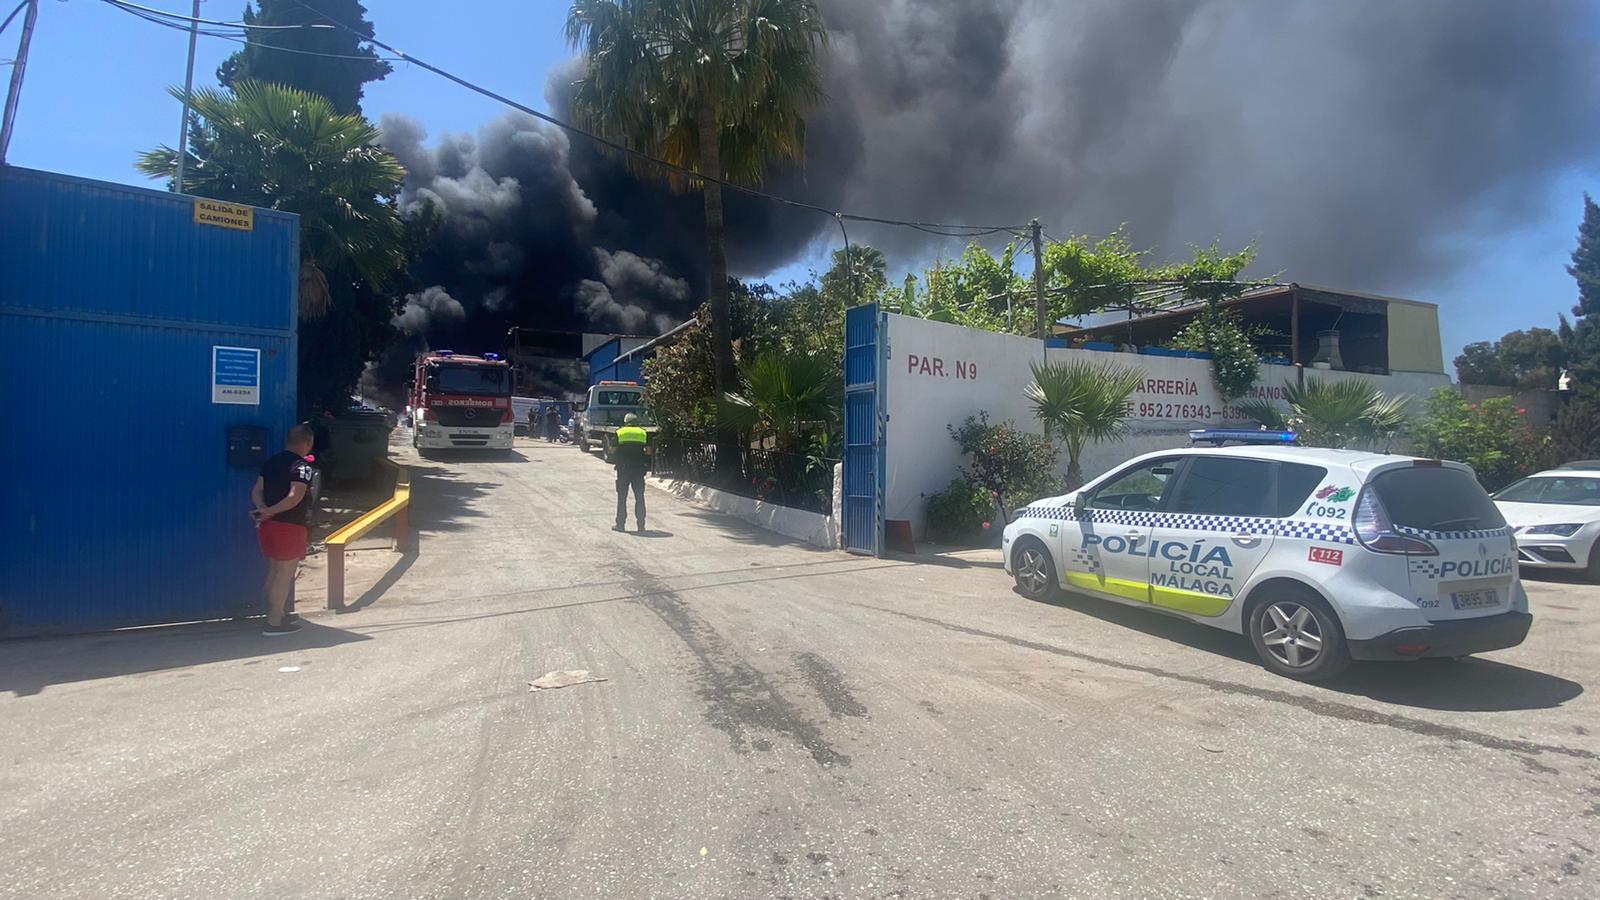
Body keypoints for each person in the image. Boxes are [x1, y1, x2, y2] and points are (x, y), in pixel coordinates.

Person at [251, 424, 317, 635]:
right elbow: (294, 498)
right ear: (308, 443)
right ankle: (275, 621)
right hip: (290, 527)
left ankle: (271, 611)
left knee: (274, 571)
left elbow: (257, 490)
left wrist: (262, 509)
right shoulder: (302, 467)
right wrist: (271, 510)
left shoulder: (271, 462)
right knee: (285, 575)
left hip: (268, 527)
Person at [613, 413, 650, 533]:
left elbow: (613, 449)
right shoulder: (643, 432)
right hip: (639, 469)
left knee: (622, 497)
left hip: (623, 469)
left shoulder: (620, 432)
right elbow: (649, 451)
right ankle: (641, 526)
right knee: (639, 497)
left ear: (625, 422)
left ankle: (620, 525)